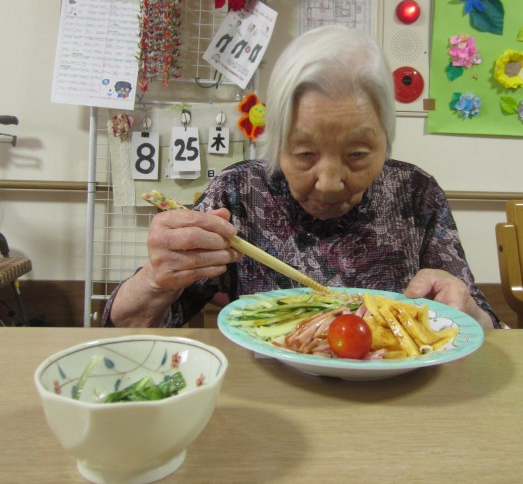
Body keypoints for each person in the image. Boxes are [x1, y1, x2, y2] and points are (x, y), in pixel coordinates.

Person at [103, 25, 499, 329]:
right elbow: (124, 327)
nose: (329, 182)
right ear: (276, 142)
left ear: (386, 140)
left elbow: (485, 327)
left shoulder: (415, 194)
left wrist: (467, 311)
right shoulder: (239, 194)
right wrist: (156, 280)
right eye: (305, 154)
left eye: (357, 155)